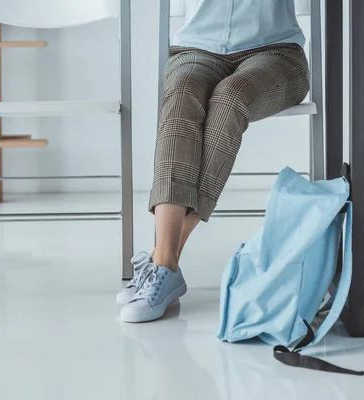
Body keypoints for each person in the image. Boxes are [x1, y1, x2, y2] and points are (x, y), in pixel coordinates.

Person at [117, 0, 310, 323]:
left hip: (276, 54)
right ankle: (165, 266)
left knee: (230, 98)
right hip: (197, 49)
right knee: (180, 98)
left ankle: (162, 260)